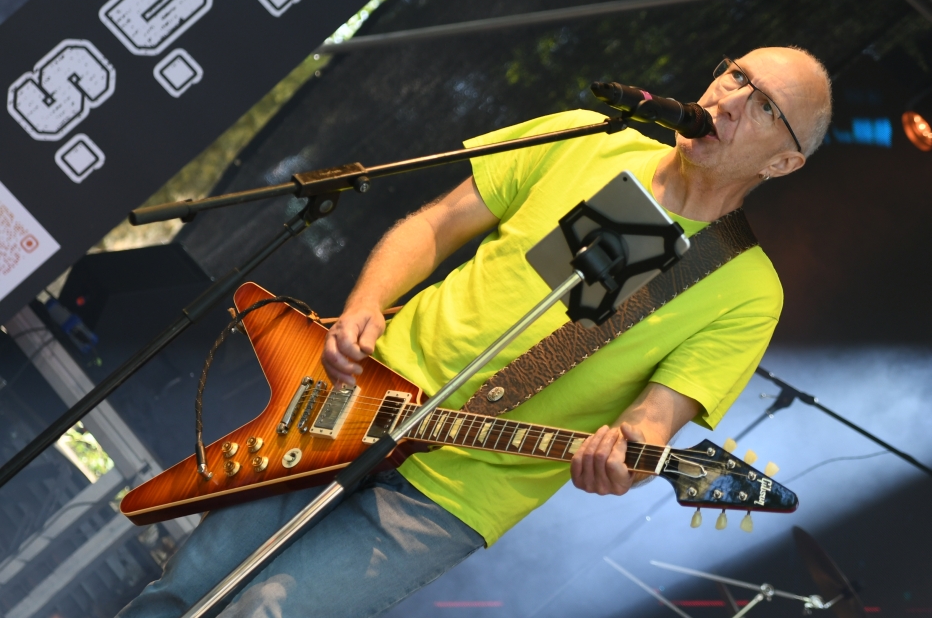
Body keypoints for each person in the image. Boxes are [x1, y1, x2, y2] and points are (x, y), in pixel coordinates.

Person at [118, 47, 833, 618]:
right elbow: (437, 222)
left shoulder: (745, 288)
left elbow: (653, 421)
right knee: (187, 584)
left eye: (765, 105)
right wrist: (368, 302)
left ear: (784, 162)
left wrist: (626, 457)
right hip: (354, 398)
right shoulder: (588, 142)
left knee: (266, 612)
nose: (731, 99)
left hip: (452, 495)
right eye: (736, 74)